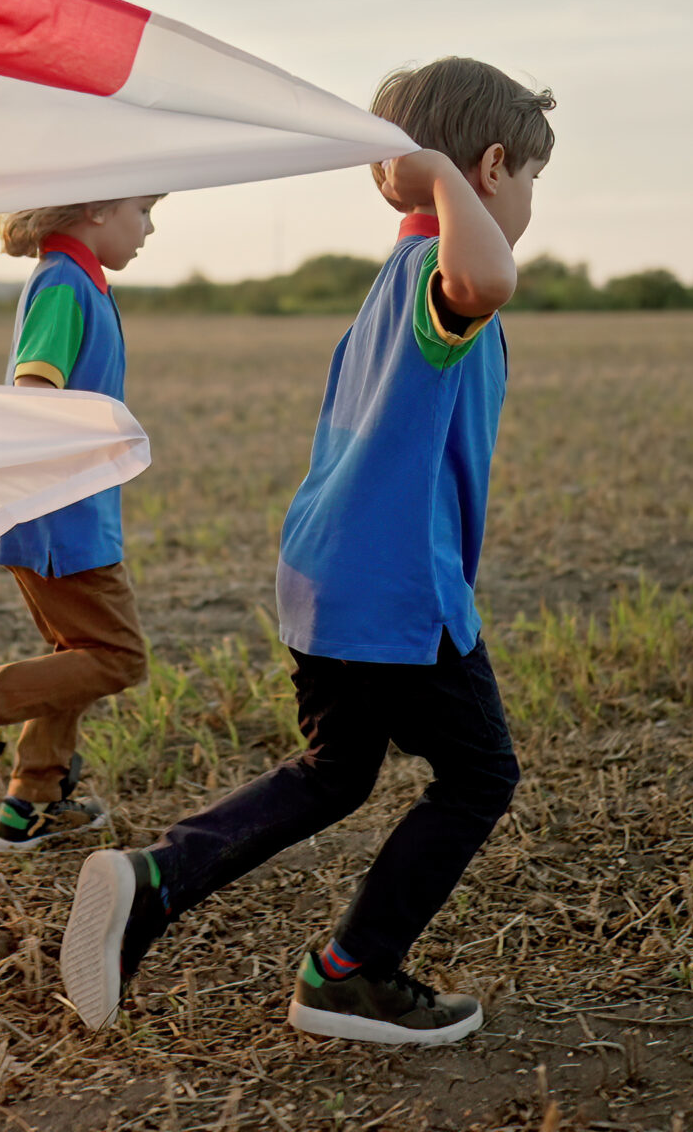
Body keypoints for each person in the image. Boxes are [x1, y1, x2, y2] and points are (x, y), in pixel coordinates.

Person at [57, 57, 552, 1045]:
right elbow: (488, 275)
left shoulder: (397, 278)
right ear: (492, 167)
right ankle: (351, 974)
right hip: (393, 591)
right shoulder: (439, 280)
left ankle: (155, 879)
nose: (530, 198)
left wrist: (435, 184)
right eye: (531, 176)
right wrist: (444, 181)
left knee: (337, 772)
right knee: (479, 777)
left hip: (326, 576)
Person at [0, 195, 163, 851]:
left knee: (76, 653)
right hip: (61, 520)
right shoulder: (63, 285)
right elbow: (34, 393)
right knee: (116, 657)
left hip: (60, 514)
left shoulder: (78, 281)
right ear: (98, 210)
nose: (151, 227)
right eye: (144, 209)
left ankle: (32, 802)